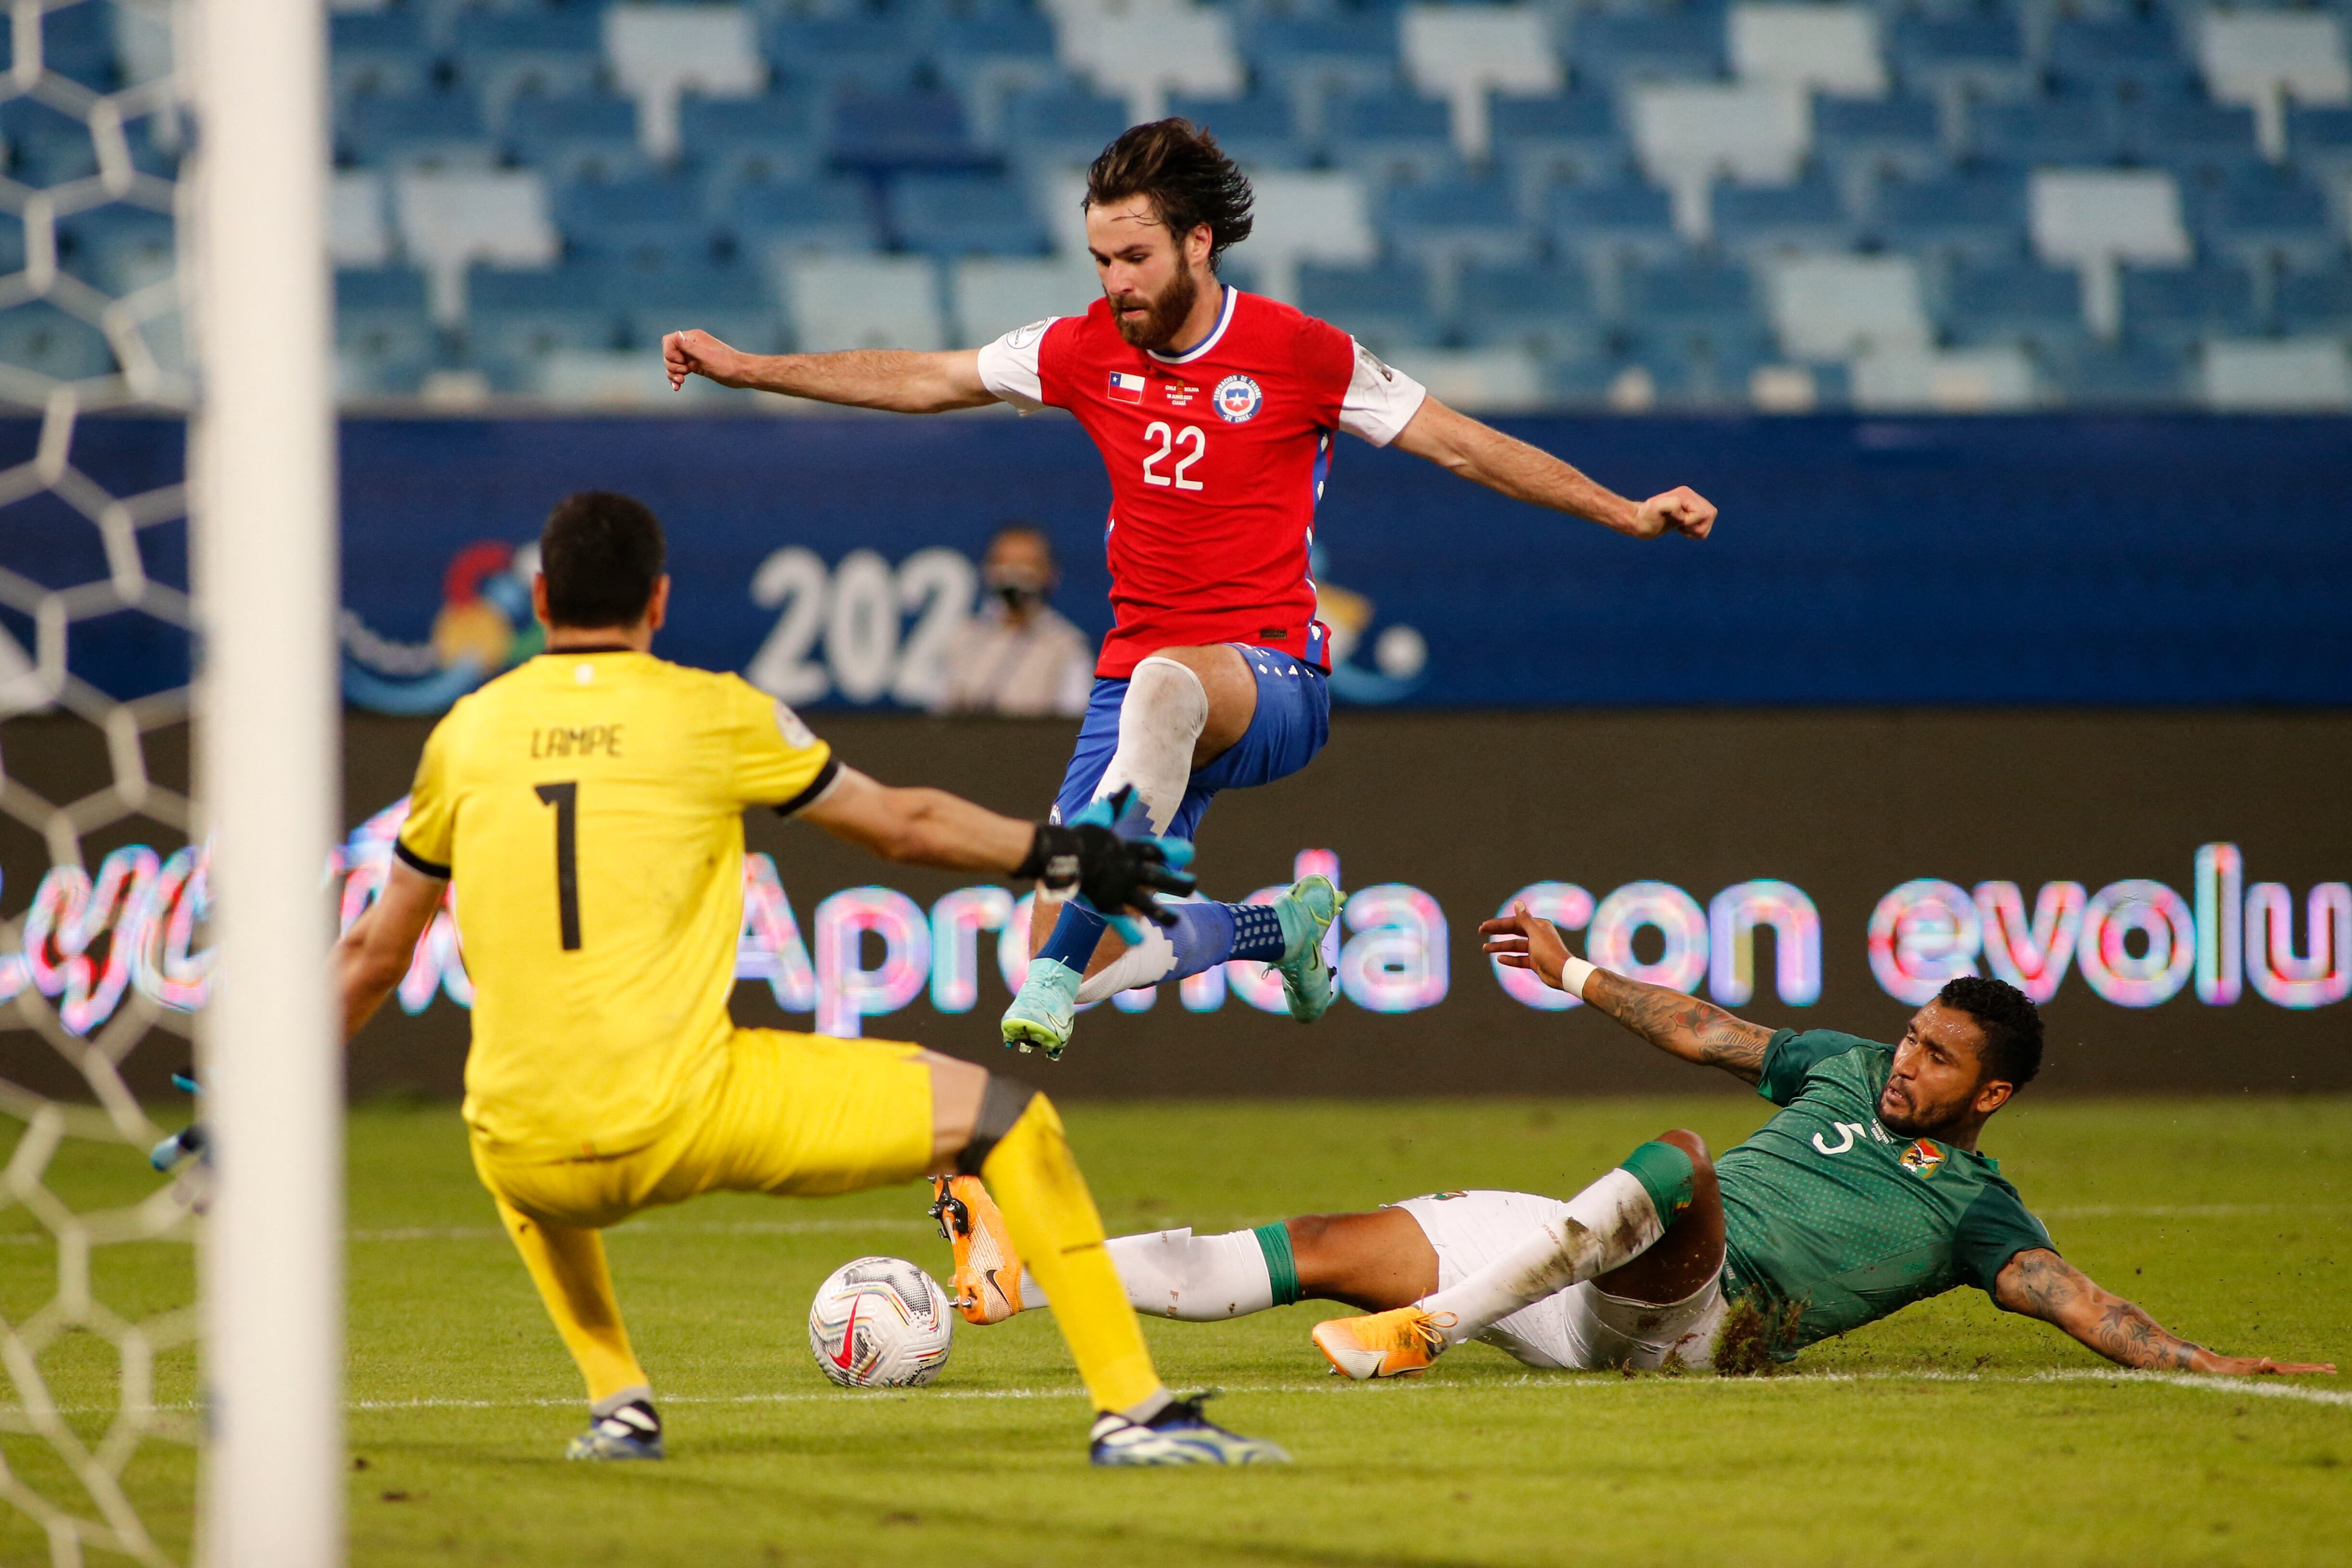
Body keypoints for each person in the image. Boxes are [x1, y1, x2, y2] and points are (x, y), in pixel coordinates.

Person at [663, 120, 1720, 1063]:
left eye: (1134, 257)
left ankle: (1065, 966)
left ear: (1196, 244)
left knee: (1168, 694)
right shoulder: (1081, 349)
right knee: (1058, 937)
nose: (1114, 280)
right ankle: (1273, 931)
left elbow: (1460, 447)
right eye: (1099, 258)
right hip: (1134, 692)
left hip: (1272, 682)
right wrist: (749, 369)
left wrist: (1622, 509)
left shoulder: (1300, 353)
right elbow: (925, 378)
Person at [333, 491, 1288, 1467]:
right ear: (658, 602)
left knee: (516, 1127)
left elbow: (373, 954)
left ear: (539, 598)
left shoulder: (465, 734)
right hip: (686, 1110)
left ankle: (618, 1402)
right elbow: (899, 826)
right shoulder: (712, 711)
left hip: (524, 1147)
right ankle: (1133, 1413)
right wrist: (1064, 855)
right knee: (1009, 1123)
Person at [930, 904, 2334, 1383]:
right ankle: (1023, 1279)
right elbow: (1708, 1029)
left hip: (1699, 1322)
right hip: (1591, 1257)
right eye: (1909, 1040)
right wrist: (1577, 972)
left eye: (1938, 1060)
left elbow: (2079, 1303)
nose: (1905, 1064)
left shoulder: (1976, 1210)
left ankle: (1427, 1331)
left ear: (1993, 1096)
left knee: (1679, 1159)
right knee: (1320, 1245)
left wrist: (2212, 1365)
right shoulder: (1843, 1066)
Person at [928, 523, 1093, 718]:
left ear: (1050, 573)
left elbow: (1073, 723)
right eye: (1004, 563)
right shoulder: (959, 638)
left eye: (1027, 564)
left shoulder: (1068, 647)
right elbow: (936, 716)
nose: (1014, 574)